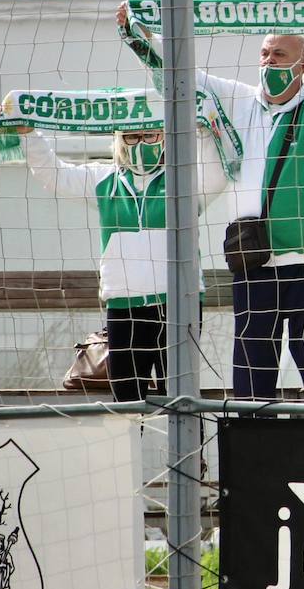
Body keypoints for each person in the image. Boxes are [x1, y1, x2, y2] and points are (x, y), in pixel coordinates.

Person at [117, 0, 304, 404]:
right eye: (265, 53)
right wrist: (140, 35)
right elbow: (182, 76)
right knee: (253, 368)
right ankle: (253, 448)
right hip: (252, 259)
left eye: (280, 55)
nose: (269, 62)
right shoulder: (237, 99)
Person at [21, 124, 227, 401]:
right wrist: (28, 135)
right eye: (132, 136)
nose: (140, 143)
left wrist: (204, 130)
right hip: (124, 308)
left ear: (165, 137)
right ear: (119, 140)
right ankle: (131, 446)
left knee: (182, 401)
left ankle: (189, 447)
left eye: (150, 135)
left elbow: (216, 176)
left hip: (179, 305)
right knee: (126, 404)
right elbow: (53, 174)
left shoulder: (184, 181)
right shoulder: (104, 179)